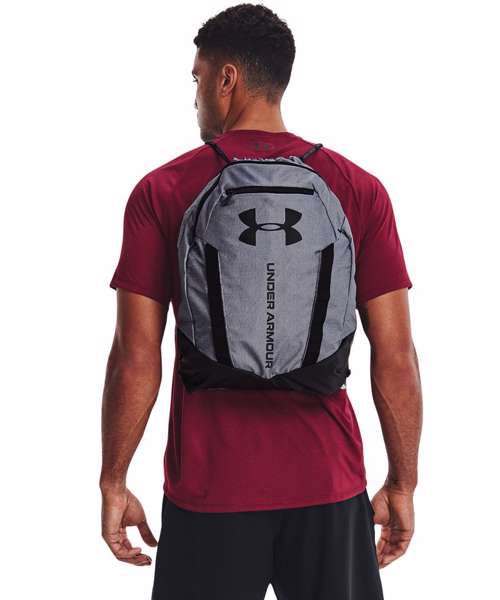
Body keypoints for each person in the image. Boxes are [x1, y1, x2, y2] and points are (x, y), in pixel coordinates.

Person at [100, 4, 423, 599]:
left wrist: (113, 480)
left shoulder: (163, 189)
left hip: (209, 490)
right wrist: (403, 483)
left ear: (227, 79)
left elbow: (135, 357)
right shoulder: (358, 189)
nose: (195, 97)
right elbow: (396, 356)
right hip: (329, 484)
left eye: (198, 79)